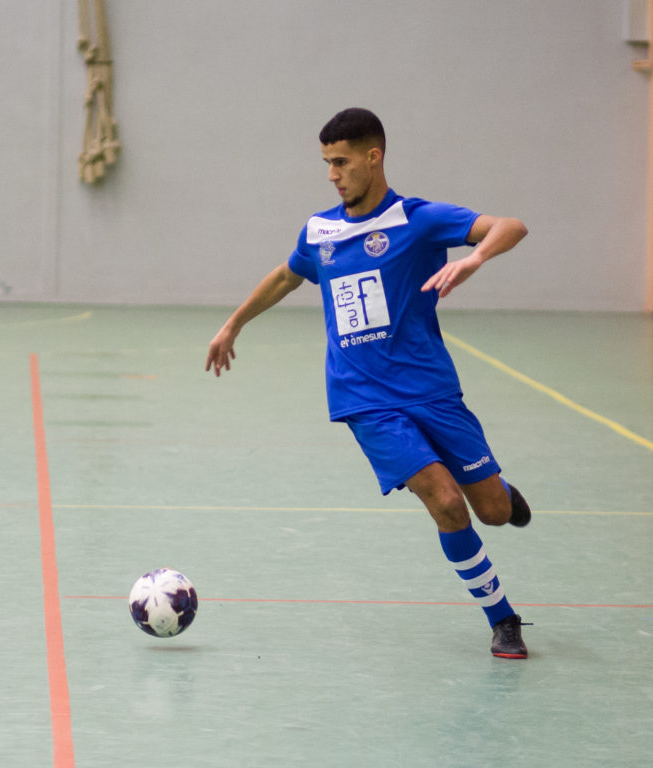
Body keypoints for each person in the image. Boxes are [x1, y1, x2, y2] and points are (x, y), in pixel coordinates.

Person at [205, 107, 533, 659]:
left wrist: (474, 257)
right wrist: (233, 322)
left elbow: (511, 226)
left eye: (341, 162)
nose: (332, 175)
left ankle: (500, 494)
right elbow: (287, 275)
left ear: (373, 157)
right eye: (326, 164)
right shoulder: (320, 231)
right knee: (446, 502)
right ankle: (503, 618)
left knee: (493, 512)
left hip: (432, 390)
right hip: (365, 400)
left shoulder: (417, 219)